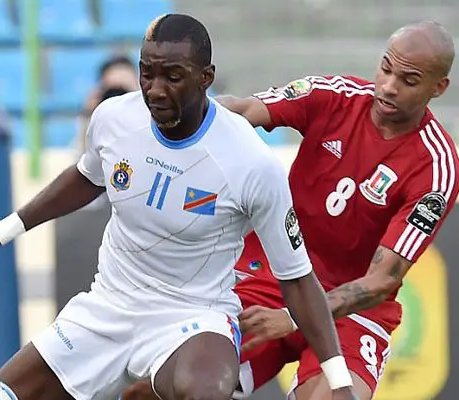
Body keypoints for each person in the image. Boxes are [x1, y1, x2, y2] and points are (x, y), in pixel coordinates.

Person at [0, 14, 356, 400]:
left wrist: (339, 382)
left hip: (192, 317)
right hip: (107, 306)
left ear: (206, 77)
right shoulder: (114, 119)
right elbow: (86, 177)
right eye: (147, 73)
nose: (155, 90)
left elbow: (297, 279)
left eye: (173, 76)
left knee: (207, 392)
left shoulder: (250, 162)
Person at [122, 20, 458, 400]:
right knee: (156, 389)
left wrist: (295, 317)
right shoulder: (334, 96)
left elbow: (382, 279)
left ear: (438, 87)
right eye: (386, 68)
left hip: (352, 312)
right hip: (270, 272)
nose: (389, 86)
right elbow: (242, 110)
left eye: (409, 81)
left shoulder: (436, 166)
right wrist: (171, 120)